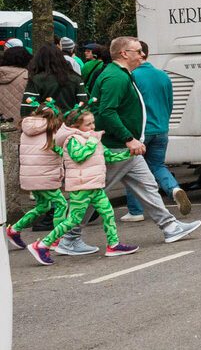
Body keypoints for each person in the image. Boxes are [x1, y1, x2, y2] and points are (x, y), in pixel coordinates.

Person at [72, 37, 200, 252]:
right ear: (124, 53)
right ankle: (68, 236)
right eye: (138, 51)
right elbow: (107, 111)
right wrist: (127, 138)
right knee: (93, 192)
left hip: (124, 147)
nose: (142, 55)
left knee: (148, 185)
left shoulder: (121, 75)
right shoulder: (115, 77)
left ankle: (170, 227)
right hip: (116, 147)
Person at [27, 105, 140, 263]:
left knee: (108, 214)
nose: (93, 127)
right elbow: (79, 156)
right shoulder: (72, 139)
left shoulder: (92, 138)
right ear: (75, 126)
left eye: (93, 123)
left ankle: (113, 245)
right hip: (81, 187)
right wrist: (93, 141)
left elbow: (108, 157)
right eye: (88, 124)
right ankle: (42, 245)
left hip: (95, 185)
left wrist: (129, 153)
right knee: (73, 220)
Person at [123, 40, 191, 220]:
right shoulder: (163, 76)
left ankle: (135, 210)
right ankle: (174, 188)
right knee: (158, 165)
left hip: (142, 131)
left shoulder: (131, 76)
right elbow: (170, 103)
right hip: (161, 128)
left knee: (131, 169)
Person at [5, 99, 69, 251]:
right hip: (45, 177)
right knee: (61, 204)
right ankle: (56, 239)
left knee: (43, 205)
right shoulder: (51, 133)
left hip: (30, 177)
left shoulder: (27, 129)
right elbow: (63, 153)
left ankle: (14, 230)